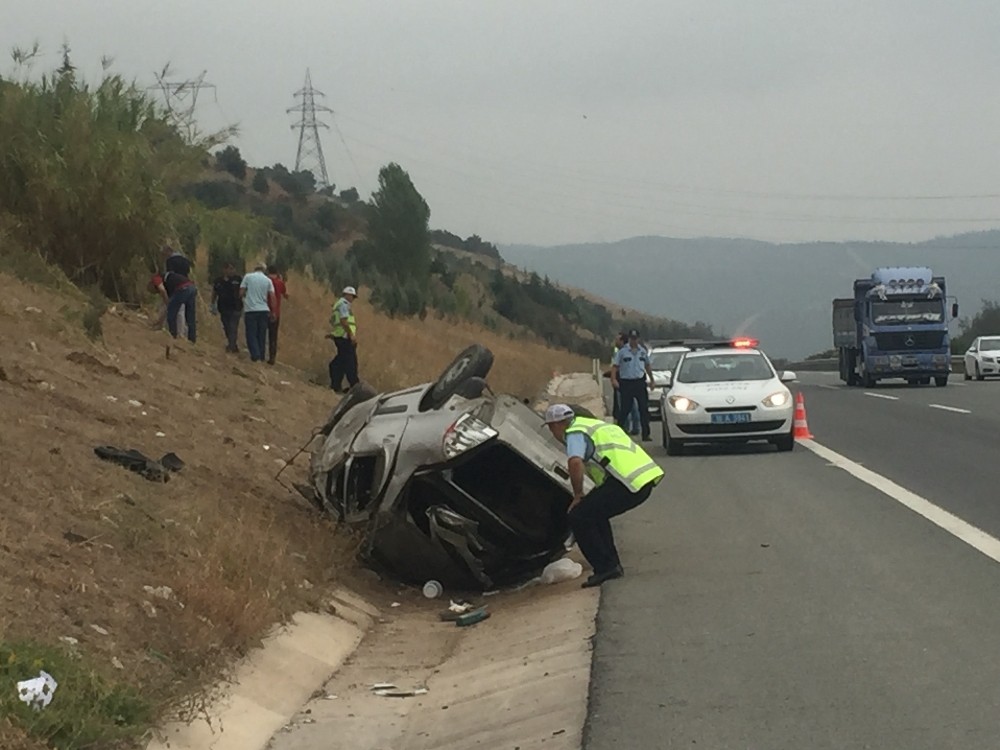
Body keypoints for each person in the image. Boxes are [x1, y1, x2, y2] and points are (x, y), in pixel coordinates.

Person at [543, 403, 663, 587]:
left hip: (627, 482)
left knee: (578, 515)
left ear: (558, 424)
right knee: (594, 512)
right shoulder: (597, 426)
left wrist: (578, 494)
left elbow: (575, 462)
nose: (553, 434)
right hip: (642, 479)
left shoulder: (574, 432)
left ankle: (606, 568)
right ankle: (611, 565)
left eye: (551, 428)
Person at [612, 329, 654, 441]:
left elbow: (647, 365)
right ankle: (619, 432)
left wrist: (652, 380)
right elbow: (615, 366)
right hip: (626, 383)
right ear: (629, 339)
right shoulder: (622, 352)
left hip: (639, 382)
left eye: (635, 339)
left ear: (638, 339)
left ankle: (646, 434)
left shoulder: (642, 351)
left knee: (643, 409)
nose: (633, 341)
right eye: (631, 339)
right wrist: (613, 379)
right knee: (625, 409)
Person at [239, 264, 276, 363]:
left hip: (251, 309)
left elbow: (241, 292)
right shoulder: (268, 280)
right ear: (264, 270)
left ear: (255, 268)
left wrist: (245, 297)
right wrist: (273, 312)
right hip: (264, 310)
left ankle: (256, 356)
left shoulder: (248, 277)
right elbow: (272, 297)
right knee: (261, 334)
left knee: (251, 333)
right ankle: (261, 355)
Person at [159, 246, 197, 344]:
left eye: (164, 254)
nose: (164, 257)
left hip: (181, 287)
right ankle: (192, 339)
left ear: (168, 252)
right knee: (190, 315)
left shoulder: (170, 263)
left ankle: (173, 334)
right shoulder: (185, 260)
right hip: (190, 285)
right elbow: (188, 272)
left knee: (172, 312)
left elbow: (168, 284)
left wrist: (169, 299)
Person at [328, 286, 359, 392]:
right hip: (345, 336)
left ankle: (336, 385)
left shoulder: (338, 304)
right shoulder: (344, 305)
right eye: (352, 296)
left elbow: (333, 321)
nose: (353, 299)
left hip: (340, 336)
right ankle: (355, 387)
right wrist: (351, 334)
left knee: (339, 362)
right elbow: (343, 321)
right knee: (350, 362)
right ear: (347, 295)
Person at [211, 262, 243, 353]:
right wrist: (212, 304)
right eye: (230, 268)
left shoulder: (238, 279)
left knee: (233, 327)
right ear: (224, 270)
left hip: (236, 307)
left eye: (233, 268)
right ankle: (232, 344)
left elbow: (242, 291)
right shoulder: (218, 281)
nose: (232, 271)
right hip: (223, 307)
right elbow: (214, 293)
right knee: (226, 327)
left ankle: (231, 347)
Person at [266, 265, 289, 365]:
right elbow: (285, 294)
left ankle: (259, 354)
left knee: (261, 333)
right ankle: (272, 357)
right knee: (273, 336)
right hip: (276, 312)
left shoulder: (265, 281)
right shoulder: (280, 283)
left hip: (264, 310)